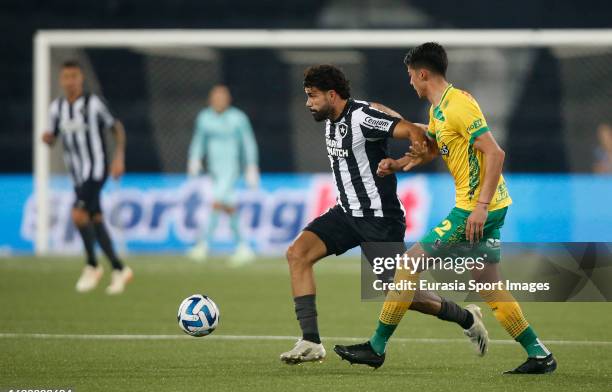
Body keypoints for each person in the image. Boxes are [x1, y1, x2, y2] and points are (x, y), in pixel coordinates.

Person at [335, 43, 557, 374]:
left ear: (423, 73)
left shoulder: (458, 106)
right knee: (488, 284)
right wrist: (399, 163)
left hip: (475, 208)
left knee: (408, 265)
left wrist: (480, 207)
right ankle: (540, 355)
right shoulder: (441, 108)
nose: (410, 81)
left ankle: (376, 347)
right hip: (491, 205)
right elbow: (439, 147)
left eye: (411, 75)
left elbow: (495, 153)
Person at [280, 64, 488, 365]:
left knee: (404, 293)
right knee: (297, 254)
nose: (308, 103)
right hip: (346, 214)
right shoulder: (332, 119)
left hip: (380, 219)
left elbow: (409, 129)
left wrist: (410, 155)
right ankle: (310, 341)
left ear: (332, 94)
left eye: (312, 96)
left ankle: (466, 317)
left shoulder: (364, 116)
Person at [42, 60, 132, 295]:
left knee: (78, 214)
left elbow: (116, 127)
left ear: (81, 78)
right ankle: (119, 268)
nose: (70, 81)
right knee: (95, 219)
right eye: (66, 77)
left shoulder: (93, 104)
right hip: (77, 175)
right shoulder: (57, 108)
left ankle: (92, 265)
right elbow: (53, 137)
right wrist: (47, 138)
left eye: (74, 76)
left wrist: (119, 158)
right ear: (61, 80)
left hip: (96, 169)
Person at [187, 85, 259, 266]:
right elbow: (199, 140)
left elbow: (248, 143)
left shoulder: (238, 118)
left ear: (229, 100)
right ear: (210, 100)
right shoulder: (204, 118)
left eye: (222, 98)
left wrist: (251, 166)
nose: (219, 101)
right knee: (228, 206)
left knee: (217, 201)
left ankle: (203, 245)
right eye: (216, 98)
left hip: (231, 168)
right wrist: (194, 159)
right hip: (214, 170)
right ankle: (243, 247)